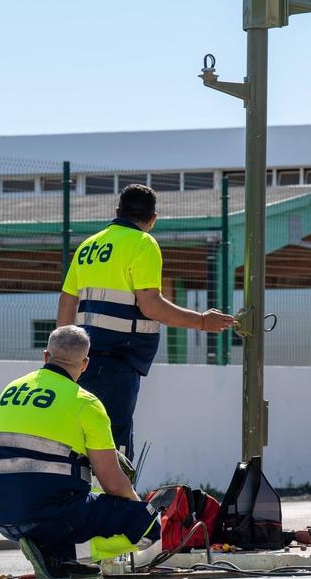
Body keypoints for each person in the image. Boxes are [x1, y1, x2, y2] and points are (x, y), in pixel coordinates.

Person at [58, 183, 235, 460]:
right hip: (118, 362)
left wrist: (61, 358)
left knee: (80, 440)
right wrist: (202, 321)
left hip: (81, 362)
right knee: (112, 446)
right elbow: (151, 305)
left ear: (117, 211)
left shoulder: (88, 245)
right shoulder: (143, 244)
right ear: (153, 219)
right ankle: (113, 501)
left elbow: (67, 302)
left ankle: (87, 500)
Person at [0, 325, 159, 579]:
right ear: (85, 364)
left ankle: (63, 561)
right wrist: (138, 506)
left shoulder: (11, 390)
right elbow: (112, 482)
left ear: (46, 356)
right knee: (148, 528)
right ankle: (60, 555)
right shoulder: (86, 403)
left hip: (0, 513)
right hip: (50, 515)